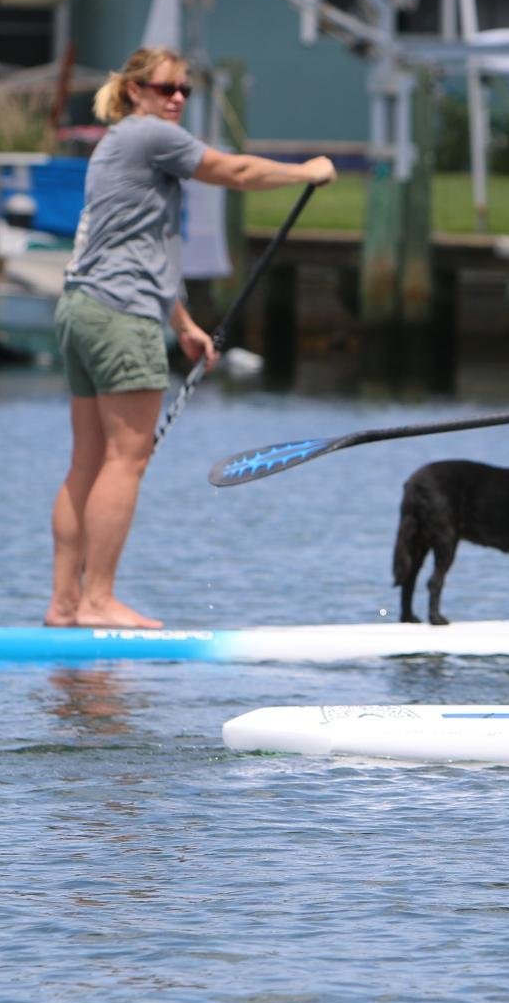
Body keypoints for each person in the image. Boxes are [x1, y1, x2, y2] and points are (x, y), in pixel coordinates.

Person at [46, 46, 335, 629]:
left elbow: (132, 246)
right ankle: (98, 600)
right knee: (125, 462)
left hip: (81, 310)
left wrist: (181, 324)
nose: (176, 98)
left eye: (185, 91)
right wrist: (306, 172)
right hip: (120, 316)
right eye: (164, 88)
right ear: (134, 91)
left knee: (88, 462)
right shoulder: (151, 137)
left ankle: (64, 604)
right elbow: (236, 172)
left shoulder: (113, 146)